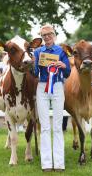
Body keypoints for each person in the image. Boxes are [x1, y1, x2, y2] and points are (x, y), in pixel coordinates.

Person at [34, 24, 71, 172]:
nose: (47, 37)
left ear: (54, 35)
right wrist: (35, 63)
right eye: (44, 35)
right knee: (45, 126)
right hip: (42, 87)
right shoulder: (38, 51)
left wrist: (63, 65)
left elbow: (68, 72)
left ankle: (59, 163)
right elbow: (35, 72)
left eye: (49, 34)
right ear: (42, 38)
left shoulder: (61, 51)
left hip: (56, 87)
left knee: (57, 126)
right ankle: (47, 164)